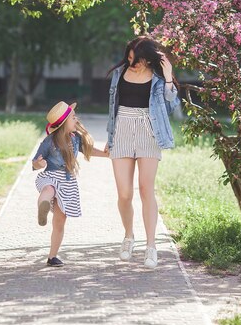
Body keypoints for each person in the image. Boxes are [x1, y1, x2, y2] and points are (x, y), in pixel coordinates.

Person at [105, 36, 181, 269]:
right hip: (122, 131)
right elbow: (112, 108)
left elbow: (172, 104)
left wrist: (168, 78)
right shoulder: (120, 75)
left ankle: (151, 246)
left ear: (147, 59)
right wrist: (110, 136)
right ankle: (129, 236)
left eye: (136, 59)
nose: (131, 63)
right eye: (128, 58)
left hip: (149, 131)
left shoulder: (158, 79)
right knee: (125, 193)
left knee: (147, 189)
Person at [32, 101, 108, 267]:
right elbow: (35, 162)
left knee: (60, 220)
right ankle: (42, 209)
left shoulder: (75, 139)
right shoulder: (49, 141)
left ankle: (52, 257)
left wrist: (106, 154)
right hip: (51, 175)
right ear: (64, 122)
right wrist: (39, 164)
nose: (76, 119)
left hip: (67, 182)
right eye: (73, 117)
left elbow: (89, 151)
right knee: (48, 188)